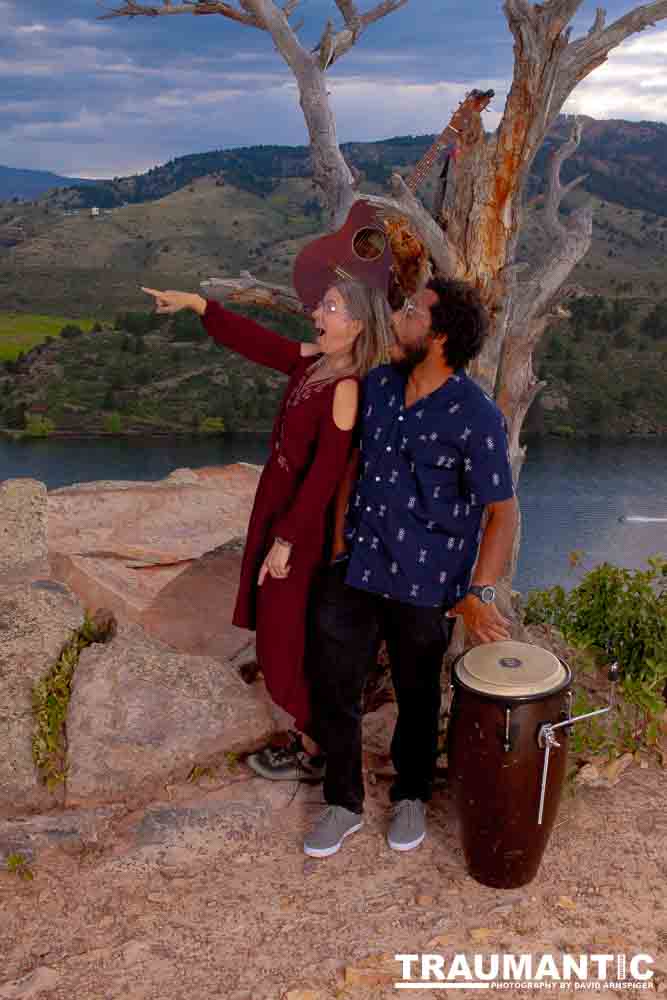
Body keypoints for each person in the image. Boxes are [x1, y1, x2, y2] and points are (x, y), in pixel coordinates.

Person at [302, 275, 519, 858]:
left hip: (428, 581)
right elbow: (354, 464)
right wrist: (337, 544)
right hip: (356, 565)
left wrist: (480, 593)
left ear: (439, 336)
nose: (397, 318)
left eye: (411, 312)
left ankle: (412, 793)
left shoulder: (477, 415)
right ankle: (342, 802)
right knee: (332, 682)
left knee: (418, 693)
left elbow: (503, 513)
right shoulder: (378, 386)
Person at [141, 281, 395, 779]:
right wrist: (199, 305)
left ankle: (322, 743)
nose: (317, 313)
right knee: (282, 634)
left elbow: (324, 476)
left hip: (301, 529)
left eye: (330, 307)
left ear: (357, 325)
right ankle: (313, 742)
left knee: (278, 641)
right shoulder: (313, 362)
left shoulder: (346, 388)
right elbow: (256, 342)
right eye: (322, 304)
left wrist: (286, 542)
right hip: (277, 514)